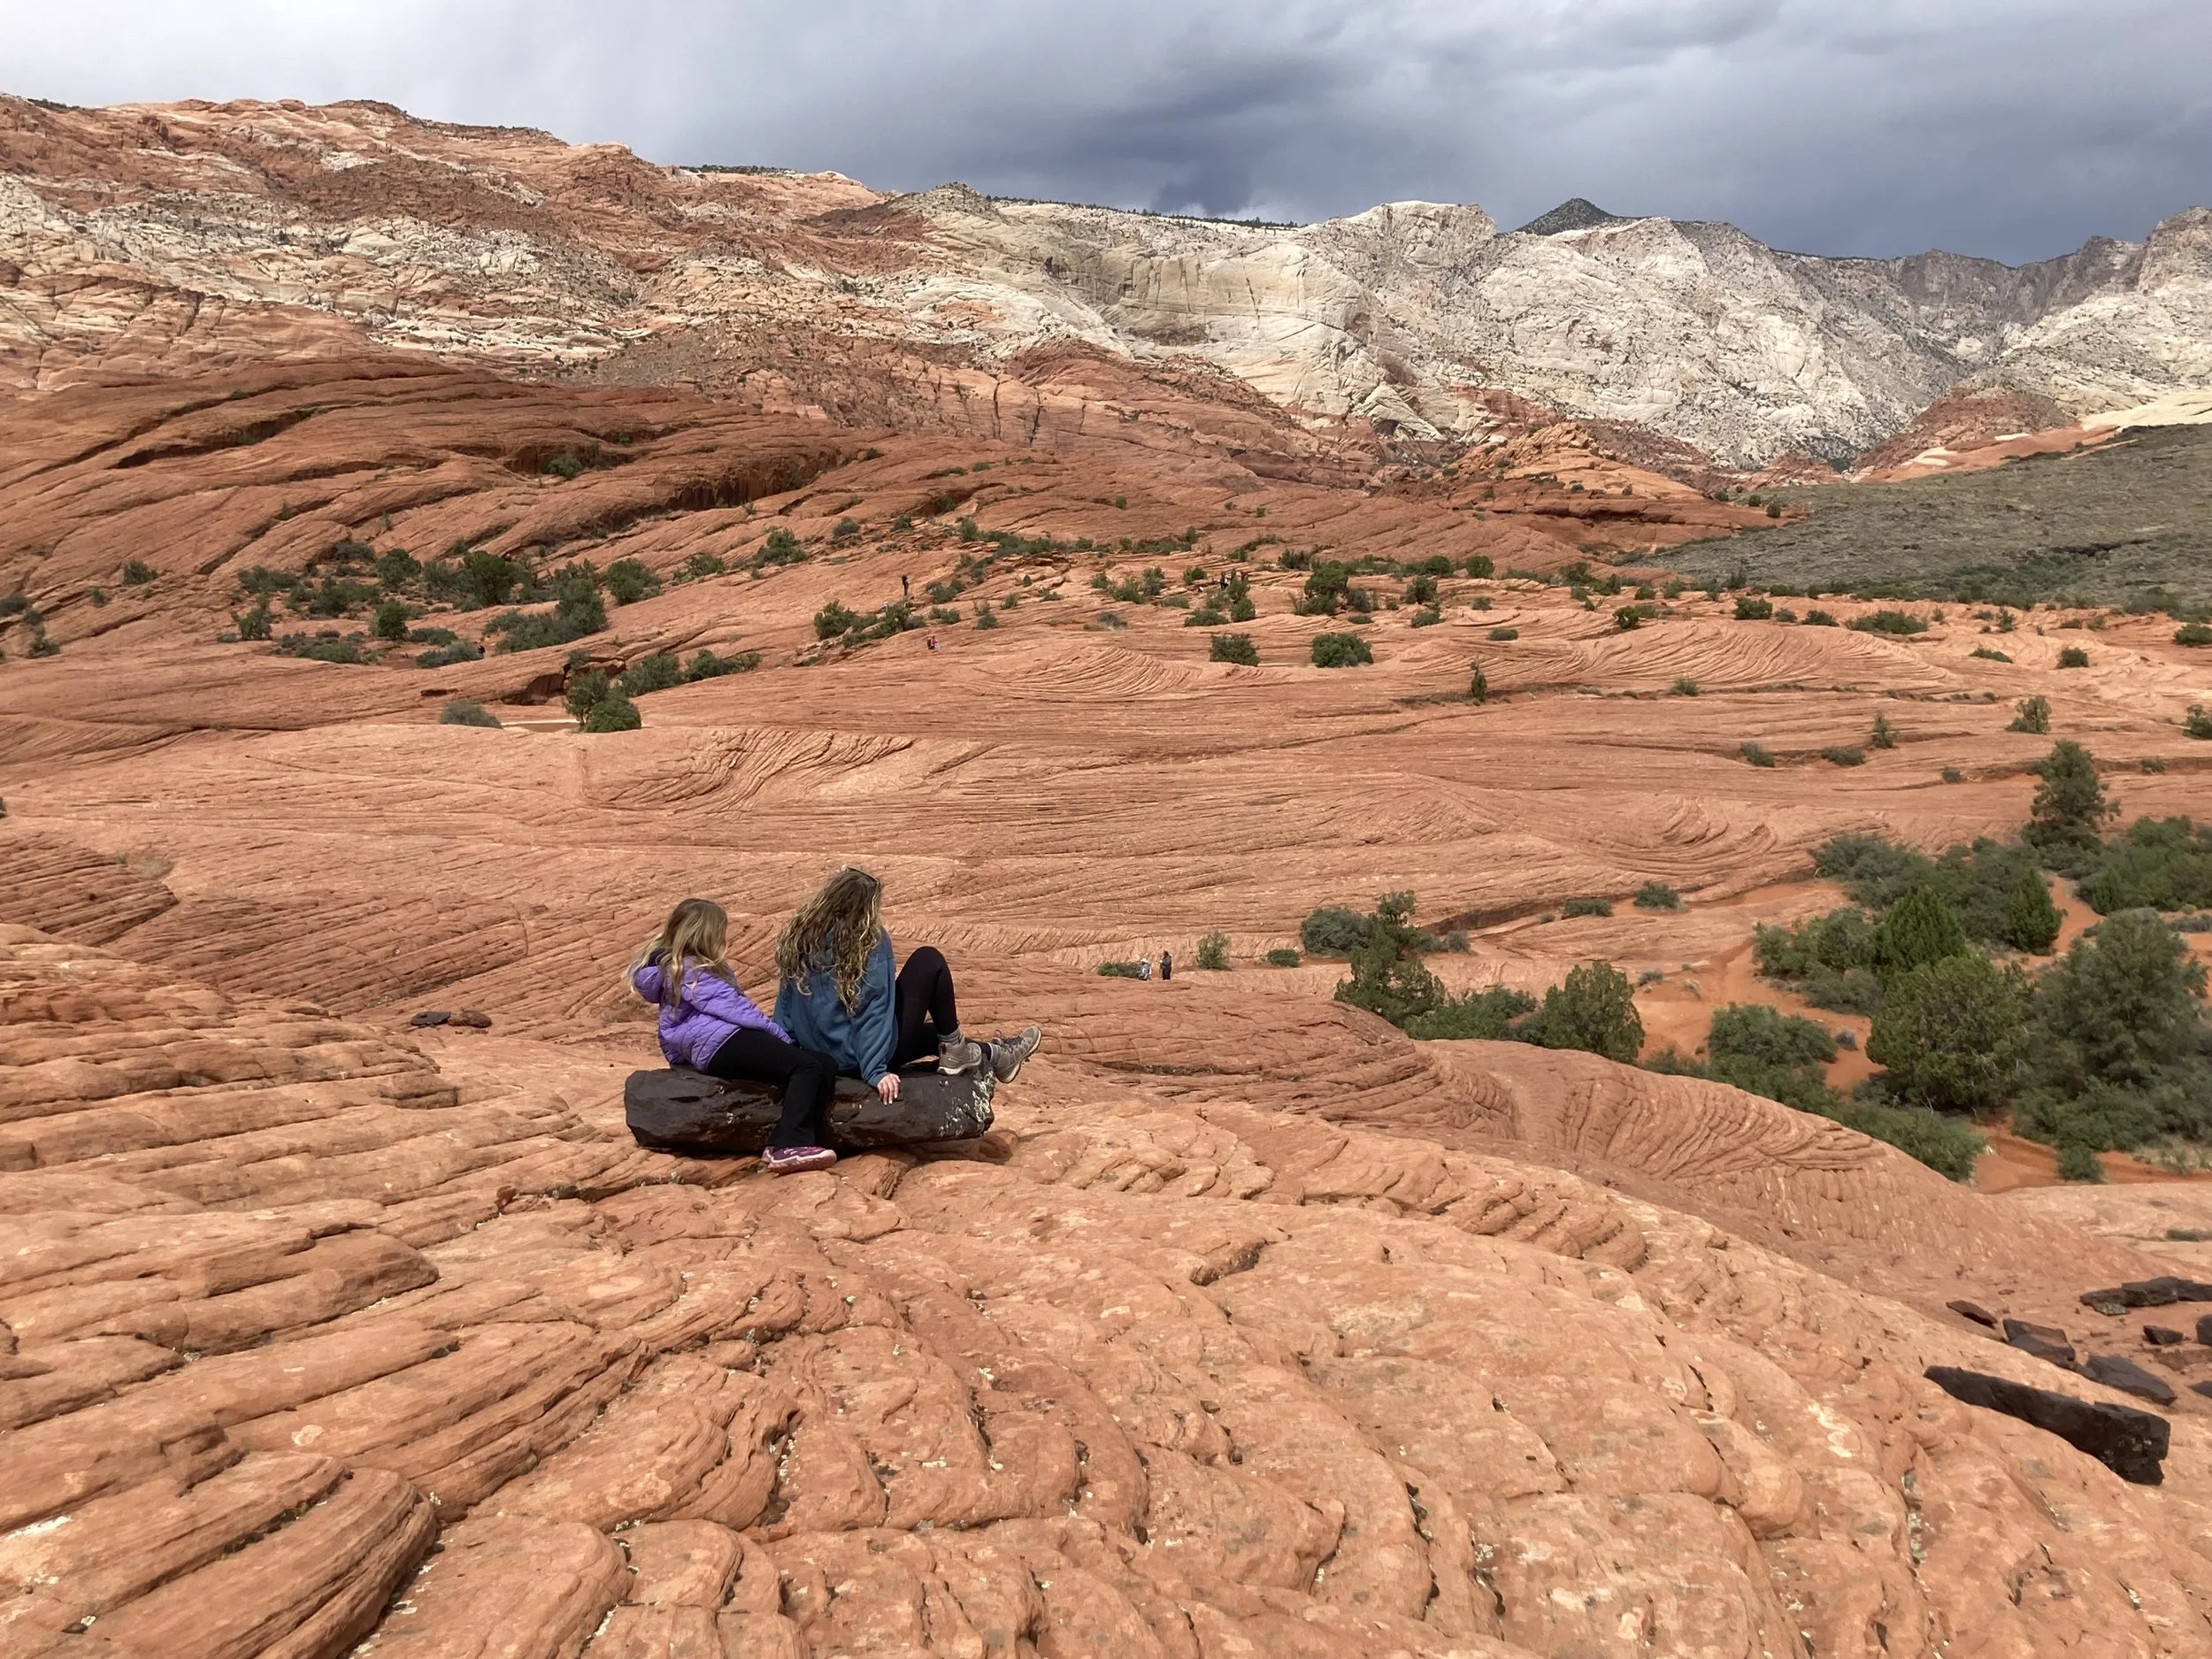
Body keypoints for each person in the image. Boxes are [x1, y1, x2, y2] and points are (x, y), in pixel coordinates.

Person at [773, 866, 1041, 1102]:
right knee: (928, 960)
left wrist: (787, 1059)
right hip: (859, 1060)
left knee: (931, 1035)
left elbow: (784, 1012)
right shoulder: (869, 940)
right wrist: (875, 1072)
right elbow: (873, 1011)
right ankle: (962, 1050)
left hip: (822, 1056)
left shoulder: (801, 938)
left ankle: (998, 1056)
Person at [627, 897, 839, 1176]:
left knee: (824, 1062)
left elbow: (672, 1025)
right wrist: (781, 1038)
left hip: (717, 1042)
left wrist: (679, 1058)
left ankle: (781, 1140)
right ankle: (790, 1145)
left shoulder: (678, 967)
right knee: (807, 1065)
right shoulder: (695, 970)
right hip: (721, 1042)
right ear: (707, 933)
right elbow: (737, 1010)